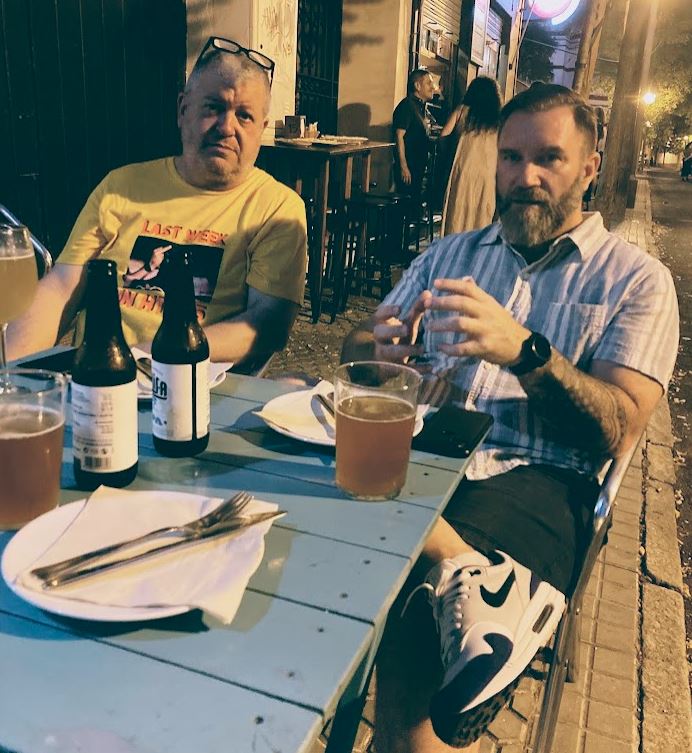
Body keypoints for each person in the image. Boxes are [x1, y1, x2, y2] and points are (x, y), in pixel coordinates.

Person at [341, 84, 679, 752]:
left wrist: (526, 351)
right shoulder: (449, 255)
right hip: (425, 448)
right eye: (511, 157)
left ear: (589, 166)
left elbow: (615, 429)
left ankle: (453, 617)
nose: (525, 176)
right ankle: (465, 568)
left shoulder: (636, 280)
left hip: (537, 477)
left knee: (414, 612)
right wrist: (375, 346)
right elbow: (359, 350)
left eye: (549, 158)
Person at [7, 36, 307, 366]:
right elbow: (62, 288)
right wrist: (12, 374)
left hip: (193, 384)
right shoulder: (122, 186)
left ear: (261, 129)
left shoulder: (276, 208)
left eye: (245, 116)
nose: (226, 126)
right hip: (95, 378)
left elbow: (267, 323)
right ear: (183, 110)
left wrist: (147, 357)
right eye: (214, 107)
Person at [439, 76, 502, 236]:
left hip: (463, 171)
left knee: (457, 213)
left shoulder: (462, 110)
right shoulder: (499, 118)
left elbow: (443, 135)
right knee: (481, 214)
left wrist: (450, 154)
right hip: (488, 174)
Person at [393, 69, 437, 199]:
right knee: (405, 206)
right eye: (429, 83)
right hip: (409, 168)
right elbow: (399, 136)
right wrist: (403, 166)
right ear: (417, 86)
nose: (433, 87)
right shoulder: (407, 105)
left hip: (417, 167)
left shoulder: (420, 107)